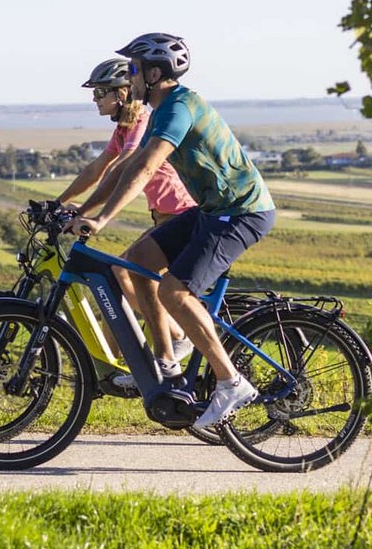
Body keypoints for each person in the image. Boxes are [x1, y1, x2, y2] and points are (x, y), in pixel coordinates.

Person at [70, 33, 277, 432]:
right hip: (212, 211)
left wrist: (102, 221)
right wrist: (81, 210)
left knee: (174, 291)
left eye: (132, 70)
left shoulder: (180, 107)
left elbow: (148, 168)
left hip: (241, 212)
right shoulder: (161, 111)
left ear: (154, 73)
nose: (128, 79)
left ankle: (231, 382)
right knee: (133, 264)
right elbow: (130, 169)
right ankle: (165, 366)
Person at [55, 58, 199, 385]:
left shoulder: (142, 121)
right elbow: (97, 169)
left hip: (180, 214)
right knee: (121, 271)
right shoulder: (122, 128)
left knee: (125, 271)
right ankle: (151, 356)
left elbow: (124, 167)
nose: (95, 100)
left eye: (101, 93)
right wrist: (59, 202)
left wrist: (92, 215)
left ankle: (176, 341)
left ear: (123, 93)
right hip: (165, 215)